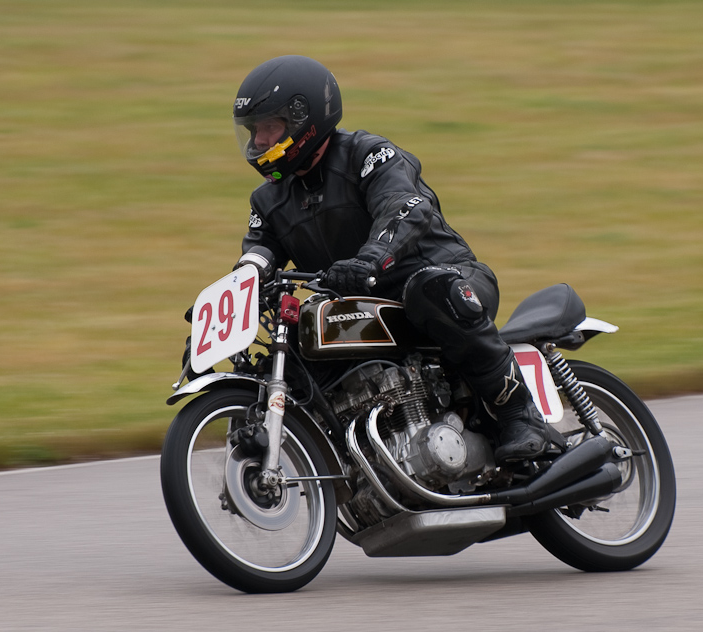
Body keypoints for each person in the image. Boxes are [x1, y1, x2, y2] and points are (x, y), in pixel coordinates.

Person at [232, 55, 547, 461]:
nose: (258, 142)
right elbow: (258, 255)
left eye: (268, 128)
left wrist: (371, 260)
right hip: (367, 306)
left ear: (302, 120)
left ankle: (518, 414)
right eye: (254, 131)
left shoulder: (368, 155)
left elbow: (405, 206)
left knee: (429, 290)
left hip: (447, 279)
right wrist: (229, 304)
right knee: (294, 341)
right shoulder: (269, 200)